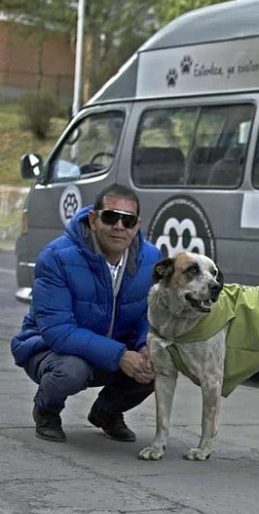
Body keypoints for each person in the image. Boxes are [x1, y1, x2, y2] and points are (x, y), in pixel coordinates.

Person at [10, 184, 163, 443]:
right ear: (94, 219)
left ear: (137, 225)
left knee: (159, 363)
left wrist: (145, 346)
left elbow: (152, 314)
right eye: (111, 216)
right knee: (71, 370)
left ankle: (107, 413)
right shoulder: (56, 256)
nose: (119, 226)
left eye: (128, 220)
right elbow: (58, 331)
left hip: (116, 350)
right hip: (51, 350)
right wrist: (119, 355)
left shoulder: (151, 258)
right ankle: (46, 410)